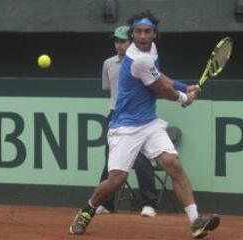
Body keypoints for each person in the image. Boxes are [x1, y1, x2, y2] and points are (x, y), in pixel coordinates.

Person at [69, 10, 220, 239]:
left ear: (154, 35)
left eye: (147, 31)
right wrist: (183, 98)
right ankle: (87, 210)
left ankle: (195, 222)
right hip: (125, 127)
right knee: (116, 180)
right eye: (138, 32)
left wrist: (183, 87)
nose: (142, 36)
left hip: (149, 123)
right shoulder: (139, 59)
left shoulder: (151, 51)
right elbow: (161, 89)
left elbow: (160, 76)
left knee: (173, 164)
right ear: (132, 34)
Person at [97, 25, 158, 217]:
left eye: (123, 41)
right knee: (111, 162)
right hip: (115, 117)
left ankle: (149, 204)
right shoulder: (108, 64)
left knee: (140, 161)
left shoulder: (141, 62)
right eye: (116, 41)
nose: (119, 45)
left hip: (137, 118)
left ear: (131, 42)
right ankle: (106, 204)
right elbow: (110, 90)